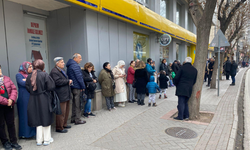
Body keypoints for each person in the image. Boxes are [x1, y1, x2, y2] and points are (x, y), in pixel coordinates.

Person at [25, 59, 55, 146]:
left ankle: (39, 140)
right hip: (44, 98)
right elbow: (51, 86)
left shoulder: (29, 76)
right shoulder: (44, 74)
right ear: (41, 66)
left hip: (33, 99)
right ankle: (47, 139)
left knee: (37, 118)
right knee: (46, 117)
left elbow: (27, 88)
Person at [0, 65, 22, 150]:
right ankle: (5, 142)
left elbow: (14, 89)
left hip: (9, 105)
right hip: (1, 106)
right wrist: (6, 101)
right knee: (1, 125)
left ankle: (14, 141)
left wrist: (12, 99)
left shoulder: (6, 78)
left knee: (11, 123)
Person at [50, 57, 72, 133]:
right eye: (62, 62)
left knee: (66, 111)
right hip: (60, 94)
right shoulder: (54, 71)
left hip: (66, 93)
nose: (64, 63)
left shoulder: (62, 70)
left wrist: (68, 81)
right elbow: (57, 82)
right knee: (61, 112)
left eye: (63, 62)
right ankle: (59, 127)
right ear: (57, 63)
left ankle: (64, 124)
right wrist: (67, 81)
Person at [16, 61, 36, 139]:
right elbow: (22, 83)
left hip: (30, 96)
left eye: (32, 67)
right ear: (25, 68)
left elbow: (33, 82)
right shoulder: (19, 75)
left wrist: (27, 80)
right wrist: (30, 80)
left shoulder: (30, 75)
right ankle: (25, 134)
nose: (31, 68)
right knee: (24, 115)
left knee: (31, 115)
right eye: (29, 67)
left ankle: (32, 133)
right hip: (23, 97)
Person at [66, 53, 86, 125]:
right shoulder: (75, 66)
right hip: (77, 87)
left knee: (74, 103)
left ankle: (73, 118)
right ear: (75, 58)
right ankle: (77, 119)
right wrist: (83, 86)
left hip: (72, 86)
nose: (81, 59)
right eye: (80, 58)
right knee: (78, 103)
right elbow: (79, 77)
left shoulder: (70, 65)